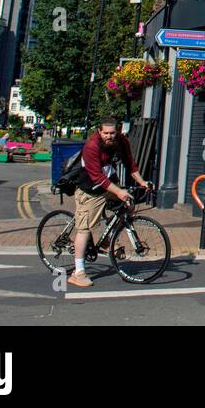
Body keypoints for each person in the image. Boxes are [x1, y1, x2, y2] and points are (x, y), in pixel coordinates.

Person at [67, 117, 150, 288]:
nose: (109, 136)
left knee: (129, 204)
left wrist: (142, 181)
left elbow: (130, 163)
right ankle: (78, 272)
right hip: (89, 188)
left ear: (118, 131)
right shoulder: (91, 146)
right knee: (84, 229)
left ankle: (107, 240)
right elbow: (97, 176)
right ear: (99, 131)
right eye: (106, 133)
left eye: (112, 133)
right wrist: (119, 191)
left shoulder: (121, 140)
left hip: (108, 182)